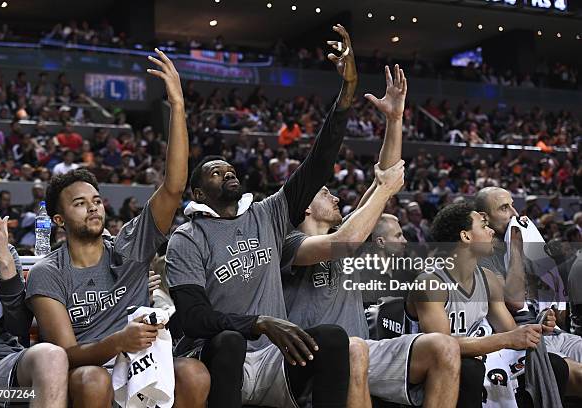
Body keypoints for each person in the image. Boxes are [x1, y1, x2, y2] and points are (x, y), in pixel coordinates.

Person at [166, 24, 358, 408]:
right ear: (199, 193)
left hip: (274, 356)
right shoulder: (188, 237)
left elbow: (317, 165)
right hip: (218, 357)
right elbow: (193, 317)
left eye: (230, 168)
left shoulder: (266, 214)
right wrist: (256, 323)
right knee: (230, 341)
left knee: (334, 338)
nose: (228, 172)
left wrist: (347, 94)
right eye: (215, 172)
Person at [25, 49, 210, 407]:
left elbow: (174, 187)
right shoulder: (48, 273)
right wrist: (116, 343)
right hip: (91, 366)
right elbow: (66, 354)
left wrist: (177, 106)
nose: (93, 207)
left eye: (95, 200)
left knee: (194, 373)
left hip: (141, 363)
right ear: (59, 220)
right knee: (94, 380)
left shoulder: (129, 245)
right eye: (80, 203)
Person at [281, 65, 460, 408]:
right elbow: (343, 240)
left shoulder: (350, 230)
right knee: (352, 350)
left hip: (365, 350)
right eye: (324, 193)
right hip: (315, 356)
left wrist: (394, 120)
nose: (335, 197)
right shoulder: (289, 243)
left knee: (444, 346)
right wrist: (383, 192)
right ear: (303, 208)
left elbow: (384, 183)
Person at [405, 201, 570, 406]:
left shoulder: (487, 277)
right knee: (469, 370)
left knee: (555, 366)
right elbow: (443, 347)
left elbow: (509, 331)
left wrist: (535, 328)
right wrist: (508, 339)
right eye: (483, 226)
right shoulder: (430, 283)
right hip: (434, 368)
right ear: (465, 236)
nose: (491, 231)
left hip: (480, 354)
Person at [0, 168, 69, 407]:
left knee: (52, 356)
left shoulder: (4, 252)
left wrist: (4, 264)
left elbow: (19, 327)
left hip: (3, 370)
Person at [475, 187, 582, 396]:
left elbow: (547, 303)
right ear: (484, 218)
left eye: (513, 205)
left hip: (551, 333)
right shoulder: (484, 254)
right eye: (505, 208)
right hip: (521, 340)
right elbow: (514, 302)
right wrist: (516, 249)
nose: (515, 214)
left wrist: (548, 314)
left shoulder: (529, 243)